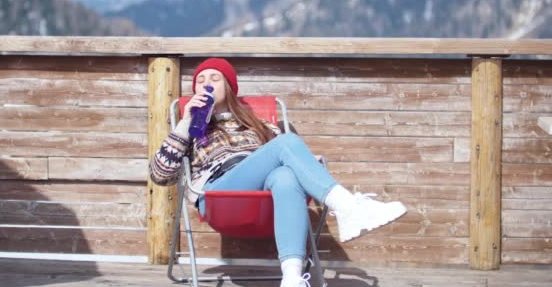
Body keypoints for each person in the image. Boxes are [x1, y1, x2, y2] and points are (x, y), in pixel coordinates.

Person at [150, 57, 407, 287]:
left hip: (262, 194)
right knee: (288, 143)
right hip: (219, 195)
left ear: (229, 87)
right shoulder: (192, 128)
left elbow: (282, 155)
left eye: (215, 78)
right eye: (200, 80)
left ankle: (292, 278)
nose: (206, 84)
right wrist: (186, 122)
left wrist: (307, 162)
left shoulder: (257, 124)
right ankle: (348, 208)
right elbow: (160, 175)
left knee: (286, 176)